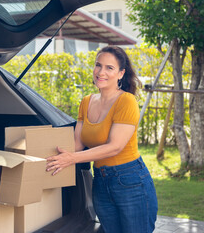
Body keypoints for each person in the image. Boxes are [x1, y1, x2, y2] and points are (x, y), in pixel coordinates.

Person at [46, 46, 158, 233]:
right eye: (98, 65)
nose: (101, 72)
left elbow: (115, 147)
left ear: (121, 73)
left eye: (109, 68)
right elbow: (77, 144)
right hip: (100, 180)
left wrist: (72, 159)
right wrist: (46, 156)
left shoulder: (126, 101)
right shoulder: (87, 101)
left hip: (130, 180)